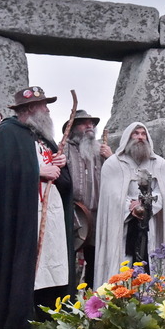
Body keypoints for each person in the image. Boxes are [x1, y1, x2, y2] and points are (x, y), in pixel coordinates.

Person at [0, 86, 74, 329]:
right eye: (43, 105)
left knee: (51, 260)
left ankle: (46, 313)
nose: (47, 109)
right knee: (25, 260)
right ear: (31, 108)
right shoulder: (7, 133)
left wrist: (61, 164)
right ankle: (18, 317)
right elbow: (0, 173)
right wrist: (37, 171)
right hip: (23, 212)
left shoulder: (44, 137)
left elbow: (61, 177)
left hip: (50, 210)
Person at [94, 122, 165, 283]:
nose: (140, 137)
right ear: (127, 137)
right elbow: (111, 194)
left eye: (143, 134)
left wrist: (145, 205)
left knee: (150, 264)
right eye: (136, 133)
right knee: (123, 262)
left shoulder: (159, 163)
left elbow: (163, 192)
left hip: (151, 224)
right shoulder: (114, 163)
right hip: (123, 223)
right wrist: (131, 206)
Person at [63, 109, 108, 284]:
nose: (90, 126)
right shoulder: (64, 148)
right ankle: (67, 301)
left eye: (92, 123)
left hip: (96, 215)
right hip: (73, 213)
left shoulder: (100, 150)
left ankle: (92, 301)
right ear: (72, 127)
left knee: (95, 260)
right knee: (69, 258)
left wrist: (110, 158)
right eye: (84, 123)